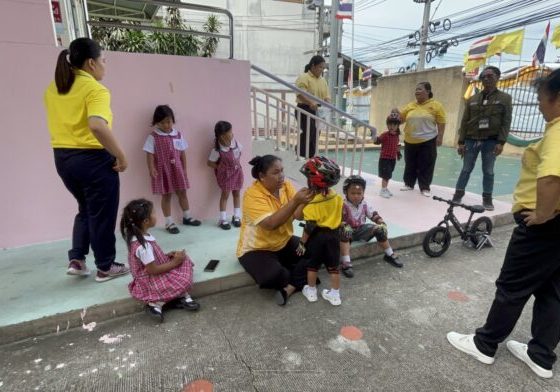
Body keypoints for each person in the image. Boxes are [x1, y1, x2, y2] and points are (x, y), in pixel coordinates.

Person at [446, 69, 560, 379]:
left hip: (544, 226)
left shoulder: (558, 131)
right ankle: (541, 355)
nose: (538, 105)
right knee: (552, 289)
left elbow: (551, 177)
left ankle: (485, 344)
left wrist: (543, 215)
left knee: (512, 286)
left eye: (540, 99)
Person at [44, 37, 130, 282]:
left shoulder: (54, 88)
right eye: (104, 60)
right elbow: (97, 125)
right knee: (102, 213)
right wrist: (120, 155)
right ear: (91, 63)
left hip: (62, 159)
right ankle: (106, 266)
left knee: (86, 208)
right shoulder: (95, 89)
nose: (105, 65)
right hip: (92, 160)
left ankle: (77, 259)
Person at [237, 155, 314, 306]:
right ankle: (298, 277)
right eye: (276, 172)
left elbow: (298, 215)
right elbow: (270, 224)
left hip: (283, 241)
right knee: (272, 276)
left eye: (282, 171)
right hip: (256, 249)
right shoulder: (252, 195)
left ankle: (290, 285)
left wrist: (310, 198)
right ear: (262, 176)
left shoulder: (286, 186)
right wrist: (296, 201)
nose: (281, 176)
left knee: (314, 250)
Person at [120, 199, 200, 322]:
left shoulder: (138, 237)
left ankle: (176, 298)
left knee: (182, 259)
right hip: (150, 278)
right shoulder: (143, 245)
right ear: (146, 221)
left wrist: (168, 256)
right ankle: (158, 303)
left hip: (151, 271)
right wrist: (174, 262)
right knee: (183, 272)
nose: (156, 216)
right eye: (154, 213)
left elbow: (149, 259)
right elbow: (153, 270)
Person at [452, 66, 513, 211]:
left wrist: (501, 142)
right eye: (483, 76)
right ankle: (458, 195)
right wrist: (461, 142)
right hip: (471, 139)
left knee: (488, 170)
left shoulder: (505, 98)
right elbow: (464, 121)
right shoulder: (472, 99)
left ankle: (487, 199)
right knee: (466, 169)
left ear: (497, 78)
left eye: (490, 76)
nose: (486, 79)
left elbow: (506, 121)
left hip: (491, 141)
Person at [143, 105, 201, 234]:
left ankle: (187, 217)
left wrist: (184, 169)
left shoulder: (178, 135)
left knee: (182, 192)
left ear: (172, 120)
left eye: (168, 121)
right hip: (163, 170)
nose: (166, 125)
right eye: (162, 122)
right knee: (167, 195)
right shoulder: (153, 137)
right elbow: (149, 154)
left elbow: (182, 153)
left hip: (177, 169)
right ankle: (169, 222)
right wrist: (151, 168)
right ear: (156, 122)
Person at [294, 156, 344, 306]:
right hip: (334, 236)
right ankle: (335, 295)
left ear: (312, 181)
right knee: (333, 267)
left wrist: (302, 243)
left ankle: (311, 292)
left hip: (317, 236)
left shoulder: (313, 202)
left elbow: (309, 224)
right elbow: (340, 216)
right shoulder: (336, 197)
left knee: (312, 265)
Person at [339, 175, 402, 278]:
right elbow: (336, 220)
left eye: (359, 193)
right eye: (353, 193)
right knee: (345, 229)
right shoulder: (341, 204)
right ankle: (345, 262)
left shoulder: (364, 204)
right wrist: (341, 224)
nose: (356, 196)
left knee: (380, 229)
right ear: (346, 192)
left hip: (360, 230)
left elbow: (373, 214)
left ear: (363, 193)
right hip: (345, 233)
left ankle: (389, 254)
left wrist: (381, 222)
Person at [395, 82, 446, 197]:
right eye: (416, 89)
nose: (417, 91)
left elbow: (441, 122)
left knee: (426, 164)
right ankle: (408, 184)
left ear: (428, 91)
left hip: (428, 139)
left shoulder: (436, 105)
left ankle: (424, 187)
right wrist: (396, 115)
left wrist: (440, 136)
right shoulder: (410, 105)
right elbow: (401, 119)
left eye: (420, 89)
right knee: (410, 163)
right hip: (410, 140)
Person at [207, 121, 244, 230]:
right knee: (225, 195)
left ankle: (236, 216)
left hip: (237, 172)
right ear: (222, 135)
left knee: (237, 193)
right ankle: (222, 219)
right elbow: (209, 163)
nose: (232, 133)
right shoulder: (217, 150)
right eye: (230, 131)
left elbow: (239, 154)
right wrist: (220, 168)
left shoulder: (235, 143)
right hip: (226, 175)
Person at [295, 55, 331, 158]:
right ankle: (300, 154)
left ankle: (310, 156)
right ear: (313, 65)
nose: (322, 70)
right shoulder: (304, 77)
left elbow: (326, 95)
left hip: (318, 110)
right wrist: (310, 102)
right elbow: (300, 94)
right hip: (304, 108)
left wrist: (327, 101)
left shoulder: (322, 80)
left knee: (315, 135)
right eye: (320, 67)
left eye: (323, 68)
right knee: (308, 132)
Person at [374, 113, 403, 198]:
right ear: (387, 124)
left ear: (398, 126)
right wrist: (374, 137)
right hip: (385, 158)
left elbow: (397, 145)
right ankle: (382, 190)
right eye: (390, 124)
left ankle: (385, 188)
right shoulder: (385, 135)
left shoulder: (397, 136)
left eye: (394, 124)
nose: (392, 126)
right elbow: (378, 141)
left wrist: (398, 153)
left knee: (389, 175)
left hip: (392, 159)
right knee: (385, 175)